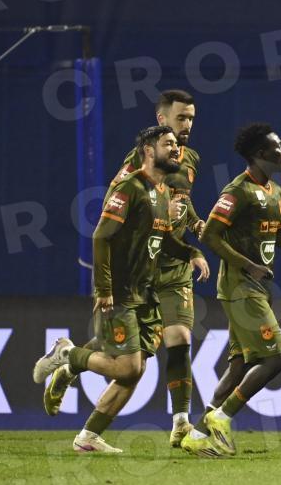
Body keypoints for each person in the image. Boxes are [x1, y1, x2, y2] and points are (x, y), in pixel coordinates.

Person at [33, 126, 210, 453]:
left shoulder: (163, 192)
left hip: (147, 293)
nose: (175, 149)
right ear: (148, 151)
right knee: (128, 367)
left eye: (176, 144)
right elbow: (101, 236)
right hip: (120, 292)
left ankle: (88, 436)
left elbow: (162, 241)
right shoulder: (129, 187)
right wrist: (104, 289)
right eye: (167, 144)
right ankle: (67, 354)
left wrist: (191, 253)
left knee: (135, 370)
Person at [181, 123, 281, 457]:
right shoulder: (237, 191)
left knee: (239, 364)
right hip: (240, 287)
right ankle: (222, 418)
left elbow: (278, 234)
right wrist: (248, 265)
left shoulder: (275, 191)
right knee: (275, 359)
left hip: (256, 288)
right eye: (278, 147)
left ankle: (198, 434)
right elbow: (209, 235)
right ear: (260, 153)